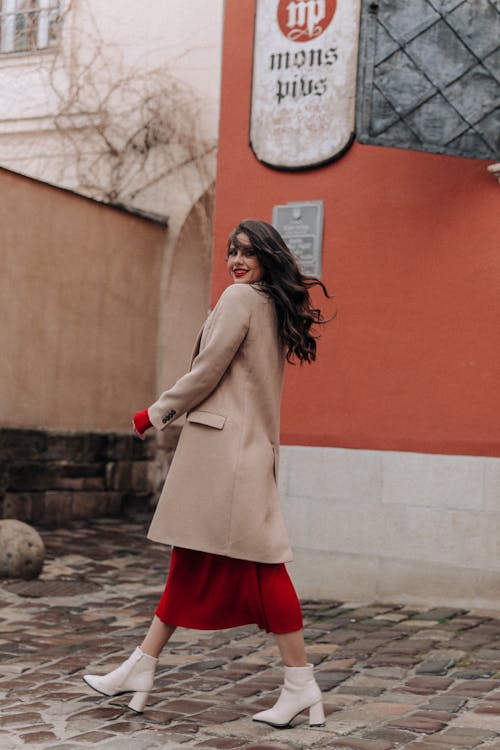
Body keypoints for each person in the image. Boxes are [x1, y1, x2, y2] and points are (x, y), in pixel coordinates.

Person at [83, 219, 331, 729]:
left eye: (247, 252)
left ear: (266, 257)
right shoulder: (269, 304)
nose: (237, 261)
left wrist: (155, 412)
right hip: (242, 452)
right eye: (231, 252)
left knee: (264, 564)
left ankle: (300, 683)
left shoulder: (241, 300)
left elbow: (207, 370)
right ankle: (141, 666)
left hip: (226, 455)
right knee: (192, 563)